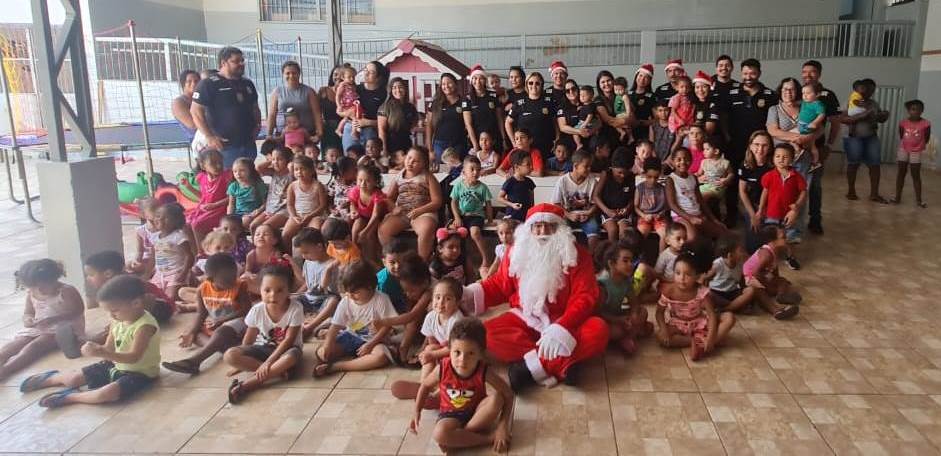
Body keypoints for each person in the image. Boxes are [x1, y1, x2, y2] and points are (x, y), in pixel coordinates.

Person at [463, 203, 609, 391]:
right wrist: (468, 294)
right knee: (486, 334)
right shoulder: (517, 251)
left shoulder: (577, 254)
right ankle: (562, 363)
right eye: (537, 226)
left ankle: (529, 368)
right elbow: (500, 285)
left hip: (566, 321)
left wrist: (562, 326)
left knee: (598, 330)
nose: (543, 232)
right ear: (529, 229)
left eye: (550, 226)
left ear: (560, 230)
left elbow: (585, 296)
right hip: (526, 317)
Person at [23, 275, 160, 408]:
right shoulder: (117, 320)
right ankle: (53, 378)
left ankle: (71, 397)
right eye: (108, 312)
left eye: (115, 311)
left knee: (106, 394)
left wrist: (102, 352)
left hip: (140, 373)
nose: (111, 316)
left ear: (136, 303)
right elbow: (109, 348)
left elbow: (133, 357)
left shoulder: (144, 327)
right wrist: (96, 349)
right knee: (73, 379)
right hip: (114, 365)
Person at [407, 318, 513, 453]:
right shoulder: (442, 368)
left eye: (471, 353)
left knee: (497, 398)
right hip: (451, 415)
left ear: (480, 354)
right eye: (457, 352)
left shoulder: (483, 370)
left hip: (477, 412)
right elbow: (425, 386)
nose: (462, 359)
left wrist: (503, 426)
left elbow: (508, 394)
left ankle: (459, 438)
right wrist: (417, 411)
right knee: (439, 433)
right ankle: (488, 439)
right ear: (449, 350)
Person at [161, 253, 251, 376]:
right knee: (195, 332)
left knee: (221, 332)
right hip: (218, 324)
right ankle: (224, 349)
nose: (232, 280)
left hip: (239, 321)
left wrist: (221, 321)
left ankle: (195, 361)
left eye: (234, 275)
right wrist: (191, 332)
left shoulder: (240, 286)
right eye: (226, 279)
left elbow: (246, 310)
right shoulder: (202, 290)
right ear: (210, 279)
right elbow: (201, 314)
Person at [225, 265, 303, 403]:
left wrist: (268, 363)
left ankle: (246, 386)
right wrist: (240, 362)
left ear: (289, 291)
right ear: (259, 290)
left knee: (290, 358)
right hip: (263, 348)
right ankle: (278, 372)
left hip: (287, 350)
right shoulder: (257, 310)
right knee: (230, 355)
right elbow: (249, 338)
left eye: (280, 290)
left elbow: (288, 340)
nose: (273, 295)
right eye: (267, 290)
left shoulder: (295, 308)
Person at [0, 260, 83, 380]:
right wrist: (28, 319)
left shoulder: (66, 291)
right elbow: (28, 312)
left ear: (54, 279)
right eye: (34, 287)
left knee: (35, 346)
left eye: (43, 286)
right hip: (40, 326)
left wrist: (54, 319)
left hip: (62, 327)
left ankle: (7, 369)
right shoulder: (31, 293)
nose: (39, 290)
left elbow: (77, 311)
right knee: (16, 343)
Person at [313, 262, 397, 377]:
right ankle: (353, 358)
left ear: (370, 287)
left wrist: (371, 344)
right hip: (351, 335)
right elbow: (335, 326)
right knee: (322, 352)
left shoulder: (381, 299)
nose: (351, 296)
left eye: (356, 292)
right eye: (348, 292)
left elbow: (388, 326)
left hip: (374, 339)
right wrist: (328, 343)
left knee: (381, 357)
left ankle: (338, 366)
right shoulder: (346, 301)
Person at [656, 243, 735, 361]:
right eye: (678, 273)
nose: (682, 278)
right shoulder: (669, 291)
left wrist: (711, 336)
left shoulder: (702, 292)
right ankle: (696, 342)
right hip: (678, 324)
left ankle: (707, 341)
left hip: (699, 322)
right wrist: (663, 329)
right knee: (660, 337)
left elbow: (712, 315)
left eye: (687, 274)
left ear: (696, 276)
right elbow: (659, 312)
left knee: (729, 317)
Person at [724, 58, 778, 225]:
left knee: (762, 181)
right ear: (741, 73)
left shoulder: (769, 95)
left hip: (760, 149)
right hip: (736, 145)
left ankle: (762, 213)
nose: (748, 76)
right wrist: (728, 137)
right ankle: (732, 213)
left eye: (752, 73)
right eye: (745, 73)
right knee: (734, 180)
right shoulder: (732, 93)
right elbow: (724, 118)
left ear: (759, 73)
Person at [766, 77, 819, 244]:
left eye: (791, 89)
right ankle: (777, 229)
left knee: (800, 195)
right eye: (784, 89)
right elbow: (773, 131)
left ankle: (794, 231)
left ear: (797, 91)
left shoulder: (807, 107)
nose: (787, 92)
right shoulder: (774, 109)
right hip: (781, 159)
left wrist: (807, 139)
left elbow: (819, 129)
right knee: (779, 195)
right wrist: (798, 137)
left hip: (802, 158)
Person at [191, 46, 261, 168]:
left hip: (247, 144)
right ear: (223, 63)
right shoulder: (208, 84)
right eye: (236, 61)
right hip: (225, 147)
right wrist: (209, 136)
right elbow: (195, 111)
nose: (241, 64)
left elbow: (255, 107)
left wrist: (257, 126)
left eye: (242, 60)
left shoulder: (247, 83)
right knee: (228, 182)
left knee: (247, 182)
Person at [379, 146, 443, 260]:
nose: (410, 162)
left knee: (427, 229)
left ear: (423, 164)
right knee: (383, 230)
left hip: (423, 213)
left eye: (415, 161)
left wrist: (420, 211)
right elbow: (388, 198)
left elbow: (437, 201)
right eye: (408, 158)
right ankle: (397, 259)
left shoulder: (428, 177)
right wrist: (394, 208)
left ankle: (421, 262)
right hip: (402, 213)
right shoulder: (399, 176)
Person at [800, 60, 842, 235]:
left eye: (812, 72)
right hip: (796, 146)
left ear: (819, 74)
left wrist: (829, 146)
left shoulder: (827, 95)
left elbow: (835, 122)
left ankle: (815, 220)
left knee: (815, 185)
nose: (808, 75)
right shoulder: (799, 92)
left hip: (817, 146)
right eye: (804, 72)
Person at [596, 240, 655, 355]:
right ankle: (633, 333)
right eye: (625, 261)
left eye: (631, 261)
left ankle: (629, 336)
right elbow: (598, 312)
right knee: (614, 331)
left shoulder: (626, 281)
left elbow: (634, 302)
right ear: (611, 264)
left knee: (642, 312)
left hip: (618, 314)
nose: (631, 264)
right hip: (606, 319)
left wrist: (633, 314)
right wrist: (619, 320)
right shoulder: (602, 284)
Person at [757, 144, 806, 271]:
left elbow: (803, 191)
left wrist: (797, 205)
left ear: (791, 159)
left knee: (788, 238)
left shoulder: (796, 176)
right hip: (772, 213)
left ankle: (790, 257)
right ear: (773, 158)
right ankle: (768, 258)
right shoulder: (769, 175)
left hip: (788, 215)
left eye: (785, 157)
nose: (781, 159)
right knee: (771, 237)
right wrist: (761, 208)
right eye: (777, 156)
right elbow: (765, 192)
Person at [842, 78, 890, 204]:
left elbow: (880, 119)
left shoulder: (873, 103)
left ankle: (874, 194)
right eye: (866, 89)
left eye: (872, 90)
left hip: (871, 137)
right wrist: (861, 116)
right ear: (859, 89)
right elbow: (843, 119)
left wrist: (884, 115)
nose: (868, 92)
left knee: (875, 165)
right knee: (853, 164)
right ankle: (851, 191)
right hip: (853, 137)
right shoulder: (851, 101)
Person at [743, 225, 803, 318]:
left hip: (761, 275)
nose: (786, 238)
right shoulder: (766, 254)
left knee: (782, 281)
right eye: (783, 237)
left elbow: (774, 266)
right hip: (750, 277)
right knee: (759, 292)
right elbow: (755, 273)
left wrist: (776, 279)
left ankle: (781, 296)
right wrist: (767, 284)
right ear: (772, 240)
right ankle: (776, 311)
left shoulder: (776, 250)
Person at [666, 148, 725, 241]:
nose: (683, 162)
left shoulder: (693, 177)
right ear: (673, 162)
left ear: (691, 160)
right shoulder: (671, 179)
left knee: (722, 232)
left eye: (686, 159)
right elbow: (672, 205)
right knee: (692, 237)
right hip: (681, 217)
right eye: (679, 159)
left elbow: (700, 200)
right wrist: (690, 218)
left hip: (697, 214)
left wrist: (714, 219)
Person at [290, 228, 339, 338]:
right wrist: (292, 264)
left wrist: (327, 271)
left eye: (306, 252)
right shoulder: (308, 262)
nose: (304, 256)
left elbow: (323, 288)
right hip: (309, 298)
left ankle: (310, 327)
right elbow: (304, 281)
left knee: (334, 302)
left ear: (319, 247)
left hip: (325, 299)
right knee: (289, 299)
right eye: (302, 253)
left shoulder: (332, 264)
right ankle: (291, 323)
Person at [450, 156, 494, 271]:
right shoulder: (458, 186)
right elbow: (453, 202)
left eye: (478, 170)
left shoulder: (482, 187)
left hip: (476, 216)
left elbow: (488, 204)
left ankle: (486, 258)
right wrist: (456, 217)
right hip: (462, 216)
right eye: (472, 169)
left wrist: (490, 219)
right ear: (464, 172)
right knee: (454, 232)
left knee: (474, 232)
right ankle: (456, 258)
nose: (476, 172)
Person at [266, 61, 323, 146]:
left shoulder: (309, 91)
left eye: (294, 73)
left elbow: (317, 114)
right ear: (283, 75)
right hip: (283, 135)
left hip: (306, 134)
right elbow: (272, 114)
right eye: (287, 73)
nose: (291, 76)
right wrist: (269, 134)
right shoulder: (277, 91)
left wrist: (319, 134)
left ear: (299, 74)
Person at [182, 149, 232, 246]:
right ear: (203, 166)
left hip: (220, 210)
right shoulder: (201, 177)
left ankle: (202, 253)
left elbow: (232, 197)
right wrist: (189, 188)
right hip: (205, 209)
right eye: (213, 163)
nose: (218, 166)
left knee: (197, 224)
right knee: (186, 224)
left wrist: (214, 205)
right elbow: (203, 197)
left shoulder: (226, 177)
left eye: (220, 162)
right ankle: (194, 252)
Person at [505, 72, 557, 162]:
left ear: (542, 85)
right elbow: (507, 123)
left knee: (543, 172)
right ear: (526, 84)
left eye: (537, 83)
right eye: (531, 83)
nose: (534, 85)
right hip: (525, 148)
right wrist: (514, 143)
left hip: (546, 146)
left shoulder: (549, 101)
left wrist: (557, 138)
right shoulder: (519, 103)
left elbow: (555, 121)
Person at [737, 131, 776, 252]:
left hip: (770, 205)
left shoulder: (774, 165)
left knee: (770, 236)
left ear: (770, 147)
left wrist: (763, 210)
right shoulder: (745, 165)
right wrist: (753, 214)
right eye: (757, 144)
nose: (760, 149)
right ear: (750, 146)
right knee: (752, 246)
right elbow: (742, 191)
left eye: (765, 145)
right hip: (751, 204)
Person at [339, 61, 388, 152]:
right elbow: (339, 111)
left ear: (378, 77)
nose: (366, 73)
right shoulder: (354, 89)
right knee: (350, 157)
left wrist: (368, 122)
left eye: (371, 72)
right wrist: (349, 114)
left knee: (369, 160)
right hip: (351, 125)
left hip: (371, 130)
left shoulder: (384, 94)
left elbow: (388, 121)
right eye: (366, 69)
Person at [151, 203, 195, 301]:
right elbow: (153, 257)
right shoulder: (154, 237)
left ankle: (191, 280)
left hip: (176, 272)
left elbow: (189, 256)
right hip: (160, 273)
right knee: (152, 296)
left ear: (176, 222)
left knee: (170, 298)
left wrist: (184, 273)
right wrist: (148, 273)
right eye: (158, 216)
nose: (160, 219)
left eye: (166, 218)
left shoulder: (178, 236)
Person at [283, 155, 329, 247]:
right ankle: (287, 257)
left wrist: (309, 216)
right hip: (298, 216)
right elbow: (290, 205)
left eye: (302, 169)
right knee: (285, 234)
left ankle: (312, 257)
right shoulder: (292, 186)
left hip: (315, 216)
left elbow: (323, 206)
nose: (299, 172)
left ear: (312, 171)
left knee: (314, 235)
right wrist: (294, 216)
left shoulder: (317, 186)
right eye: (296, 169)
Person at [893, 99, 930, 207]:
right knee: (901, 173)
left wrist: (918, 146)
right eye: (913, 109)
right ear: (909, 111)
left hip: (917, 151)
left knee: (916, 174)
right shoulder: (903, 123)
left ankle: (919, 200)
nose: (916, 111)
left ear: (922, 111)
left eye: (919, 109)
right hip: (903, 149)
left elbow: (926, 138)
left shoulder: (926, 124)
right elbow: (901, 136)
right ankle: (897, 197)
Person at [593, 147, 634, 243]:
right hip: (607, 211)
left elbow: (633, 197)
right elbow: (596, 196)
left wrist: (627, 208)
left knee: (624, 232)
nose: (623, 176)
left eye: (625, 172)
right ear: (612, 167)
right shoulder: (606, 174)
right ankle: (612, 255)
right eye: (619, 172)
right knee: (612, 230)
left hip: (624, 213)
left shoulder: (631, 176)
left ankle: (624, 254)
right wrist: (608, 211)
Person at [426, 73, 468, 163]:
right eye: (443, 84)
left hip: (458, 144)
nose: (446, 86)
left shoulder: (464, 102)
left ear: (455, 84)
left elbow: (468, 123)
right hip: (439, 144)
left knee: (457, 171)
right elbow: (429, 126)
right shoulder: (435, 103)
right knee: (441, 171)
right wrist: (430, 149)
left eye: (449, 83)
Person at [250, 146, 293, 232]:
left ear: (287, 161)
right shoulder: (274, 173)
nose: (276, 162)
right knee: (253, 226)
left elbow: (292, 166)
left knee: (265, 227)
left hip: (284, 210)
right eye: (274, 159)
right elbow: (258, 168)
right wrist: (272, 160)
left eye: (280, 159)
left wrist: (290, 163)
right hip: (270, 208)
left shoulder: (291, 174)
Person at [463, 65, 505, 154]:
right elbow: (468, 124)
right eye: (475, 78)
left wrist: (503, 138)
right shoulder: (467, 99)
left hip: (494, 138)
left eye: (481, 78)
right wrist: (475, 144)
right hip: (478, 140)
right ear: (471, 80)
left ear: (485, 80)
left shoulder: (493, 95)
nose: (477, 81)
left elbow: (499, 119)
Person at [349, 163, 387, 259]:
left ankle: (371, 261)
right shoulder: (356, 190)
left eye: (368, 181)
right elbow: (352, 203)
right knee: (356, 228)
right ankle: (354, 255)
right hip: (362, 217)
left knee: (369, 235)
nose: (363, 184)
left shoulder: (377, 194)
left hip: (377, 219)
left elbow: (375, 215)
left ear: (375, 182)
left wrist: (365, 231)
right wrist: (353, 211)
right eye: (360, 180)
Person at [378, 77, 419, 160]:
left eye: (400, 87)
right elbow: (381, 130)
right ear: (390, 90)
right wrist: (384, 149)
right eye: (394, 88)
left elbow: (414, 123)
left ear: (405, 88)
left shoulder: (410, 107)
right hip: (391, 143)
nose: (398, 90)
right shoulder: (385, 107)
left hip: (407, 142)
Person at [635, 157, 669, 248]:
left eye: (656, 177)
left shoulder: (662, 189)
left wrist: (660, 214)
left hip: (659, 218)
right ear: (645, 173)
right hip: (644, 217)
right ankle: (641, 258)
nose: (653, 180)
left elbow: (666, 206)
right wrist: (644, 216)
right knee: (641, 233)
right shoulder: (640, 188)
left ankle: (661, 259)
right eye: (649, 177)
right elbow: (636, 207)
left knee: (665, 235)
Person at [226, 157, 267, 228]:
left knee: (245, 221)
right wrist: (229, 216)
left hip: (254, 213)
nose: (238, 174)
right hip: (238, 214)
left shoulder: (258, 184)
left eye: (242, 170)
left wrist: (259, 210)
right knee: (227, 223)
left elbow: (266, 202)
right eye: (235, 171)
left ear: (250, 171)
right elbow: (231, 204)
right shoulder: (233, 186)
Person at [498, 150, 536, 222]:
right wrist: (512, 205)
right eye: (528, 164)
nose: (531, 167)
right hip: (512, 216)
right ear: (516, 167)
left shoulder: (529, 182)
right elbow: (499, 198)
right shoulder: (510, 182)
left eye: (531, 164)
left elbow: (532, 200)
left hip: (526, 216)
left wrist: (532, 212)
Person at [593, 70, 629, 145]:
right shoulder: (598, 99)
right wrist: (624, 121)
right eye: (603, 82)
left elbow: (631, 114)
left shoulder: (621, 96)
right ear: (599, 85)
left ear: (613, 81)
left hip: (625, 136)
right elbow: (607, 119)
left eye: (608, 80)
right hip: (606, 139)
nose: (606, 84)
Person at [318, 64, 349, 153]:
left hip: (344, 128)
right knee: (329, 155)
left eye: (342, 75)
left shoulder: (350, 92)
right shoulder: (323, 90)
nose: (338, 77)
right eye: (335, 74)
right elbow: (317, 111)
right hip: (328, 129)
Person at [127, 198, 160, 277]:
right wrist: (137, 261)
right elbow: (140, 251)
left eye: (160, 210)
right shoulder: (140, 231)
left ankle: (149, 273)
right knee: (128, 265)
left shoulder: (164, 229)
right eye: (154, 211)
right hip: (147, 260)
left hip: (161, 258)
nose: (159, 213)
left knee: (158, 268)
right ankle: (147, 272)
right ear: (144, 214)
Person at [797, 82, 827, 170]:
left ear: (817, 94)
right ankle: (811, 160)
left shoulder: (817, 104)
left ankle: (815, 162)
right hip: (801, 125)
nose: (805, 95)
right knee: (809, 145)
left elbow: (822, 114)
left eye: (808, 93)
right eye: (803, 93)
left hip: (808, 126)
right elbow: (798, 102)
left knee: (810, 144)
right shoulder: (805, 102)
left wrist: (815, 123)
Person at [696, 138, 732, 203]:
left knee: (704, 196)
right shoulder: (704, 162)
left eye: (707, 149)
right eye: (704, 149)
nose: (704, 151)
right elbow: (699, 173)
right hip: (705, 186)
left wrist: (727, 179)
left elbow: (731, 174)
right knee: (694, 194)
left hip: (717, 187)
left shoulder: (725, 163)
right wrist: (698, 178)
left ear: (716, 151)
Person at [172, 69, 201, 145]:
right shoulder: (178, 102)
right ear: (183, 84)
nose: (194, 83)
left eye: (196, 81)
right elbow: (193, 125)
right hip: (198, 141)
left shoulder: (200, 98)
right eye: (189, 81)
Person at [629, 64, 657, 141]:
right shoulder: (628, 94)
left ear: (650, 81)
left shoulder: (652, 97)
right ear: (636, 77)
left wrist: (641, 122)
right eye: (640, 75)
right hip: (629, 132)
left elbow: (657, 119)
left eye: (646, 77)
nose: (642, 79)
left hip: (645, 133)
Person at [334, 66, 362, 141]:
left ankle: (338, 129)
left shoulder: (353, 85)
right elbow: (337, 96)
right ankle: (354, 131)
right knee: (354, 117)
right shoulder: (343, 85)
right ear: (343, 77)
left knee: (347, 118)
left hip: (352, 104)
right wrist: (339, 105)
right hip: (346, 105)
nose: (352, 79)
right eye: (349, 77)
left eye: (353, 77)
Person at [691, 70, 720, 138]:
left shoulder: (713, 105)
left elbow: (709, 131)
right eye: (697, 87)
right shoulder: (693, 103)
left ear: (709, 88)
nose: (700, 90)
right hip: (693, 139)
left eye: (704, 87)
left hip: (709, 141)